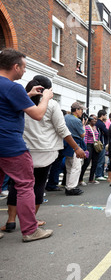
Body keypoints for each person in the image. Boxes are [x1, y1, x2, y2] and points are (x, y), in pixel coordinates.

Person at [2, 75, 85, 232]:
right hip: (45, 152)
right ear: (48, 90)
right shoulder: (51, 104)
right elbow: (62, 129)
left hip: (22, 149)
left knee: (16, 185)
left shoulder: (20, 99)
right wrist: (76, 147)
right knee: (38, 184)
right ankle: (31, 221)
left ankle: (11, 220)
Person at [0, 48, 54, 242]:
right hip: (10, 144)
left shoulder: (11, 88)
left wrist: (28, 95)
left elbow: (7, 105)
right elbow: (38, 115)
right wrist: (45, 99)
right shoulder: (12, 87)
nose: (24, 72)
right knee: (25, 185)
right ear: (15, 67)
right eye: (23, 67)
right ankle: (30, 230)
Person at [63, 102, 87, 196]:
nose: (82, 112)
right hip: (75, 144)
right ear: (77, 110)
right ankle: (71, 187)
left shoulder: (66, 117)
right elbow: (82, 134)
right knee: (76, 167)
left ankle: (69, 185)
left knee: (69, 166)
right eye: (81, 110)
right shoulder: (77, 121)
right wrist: (84, 125)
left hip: (66, 143)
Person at [79, 115, 101, 185]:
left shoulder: (96, 127)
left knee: (95, 162)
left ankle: (91, 179)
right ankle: (80, 179)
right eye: (93, 119)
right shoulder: (87, 127)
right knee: (86, 162)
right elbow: (85, 138)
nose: (95, 120)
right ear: (90, 120)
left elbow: (97, 137)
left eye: (96, 119)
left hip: (95, 146)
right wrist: (85, 149)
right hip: (89, 145)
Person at [94, 109, 108, 181]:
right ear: (102, 115)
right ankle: (99, 174)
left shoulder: (98, 123)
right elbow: (106, 132)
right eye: (105, 115)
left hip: (100, 143)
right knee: (100, 160)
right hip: (101, 143)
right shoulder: (101, 123)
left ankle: (101, 174)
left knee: (101, 160)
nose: (106, 116)